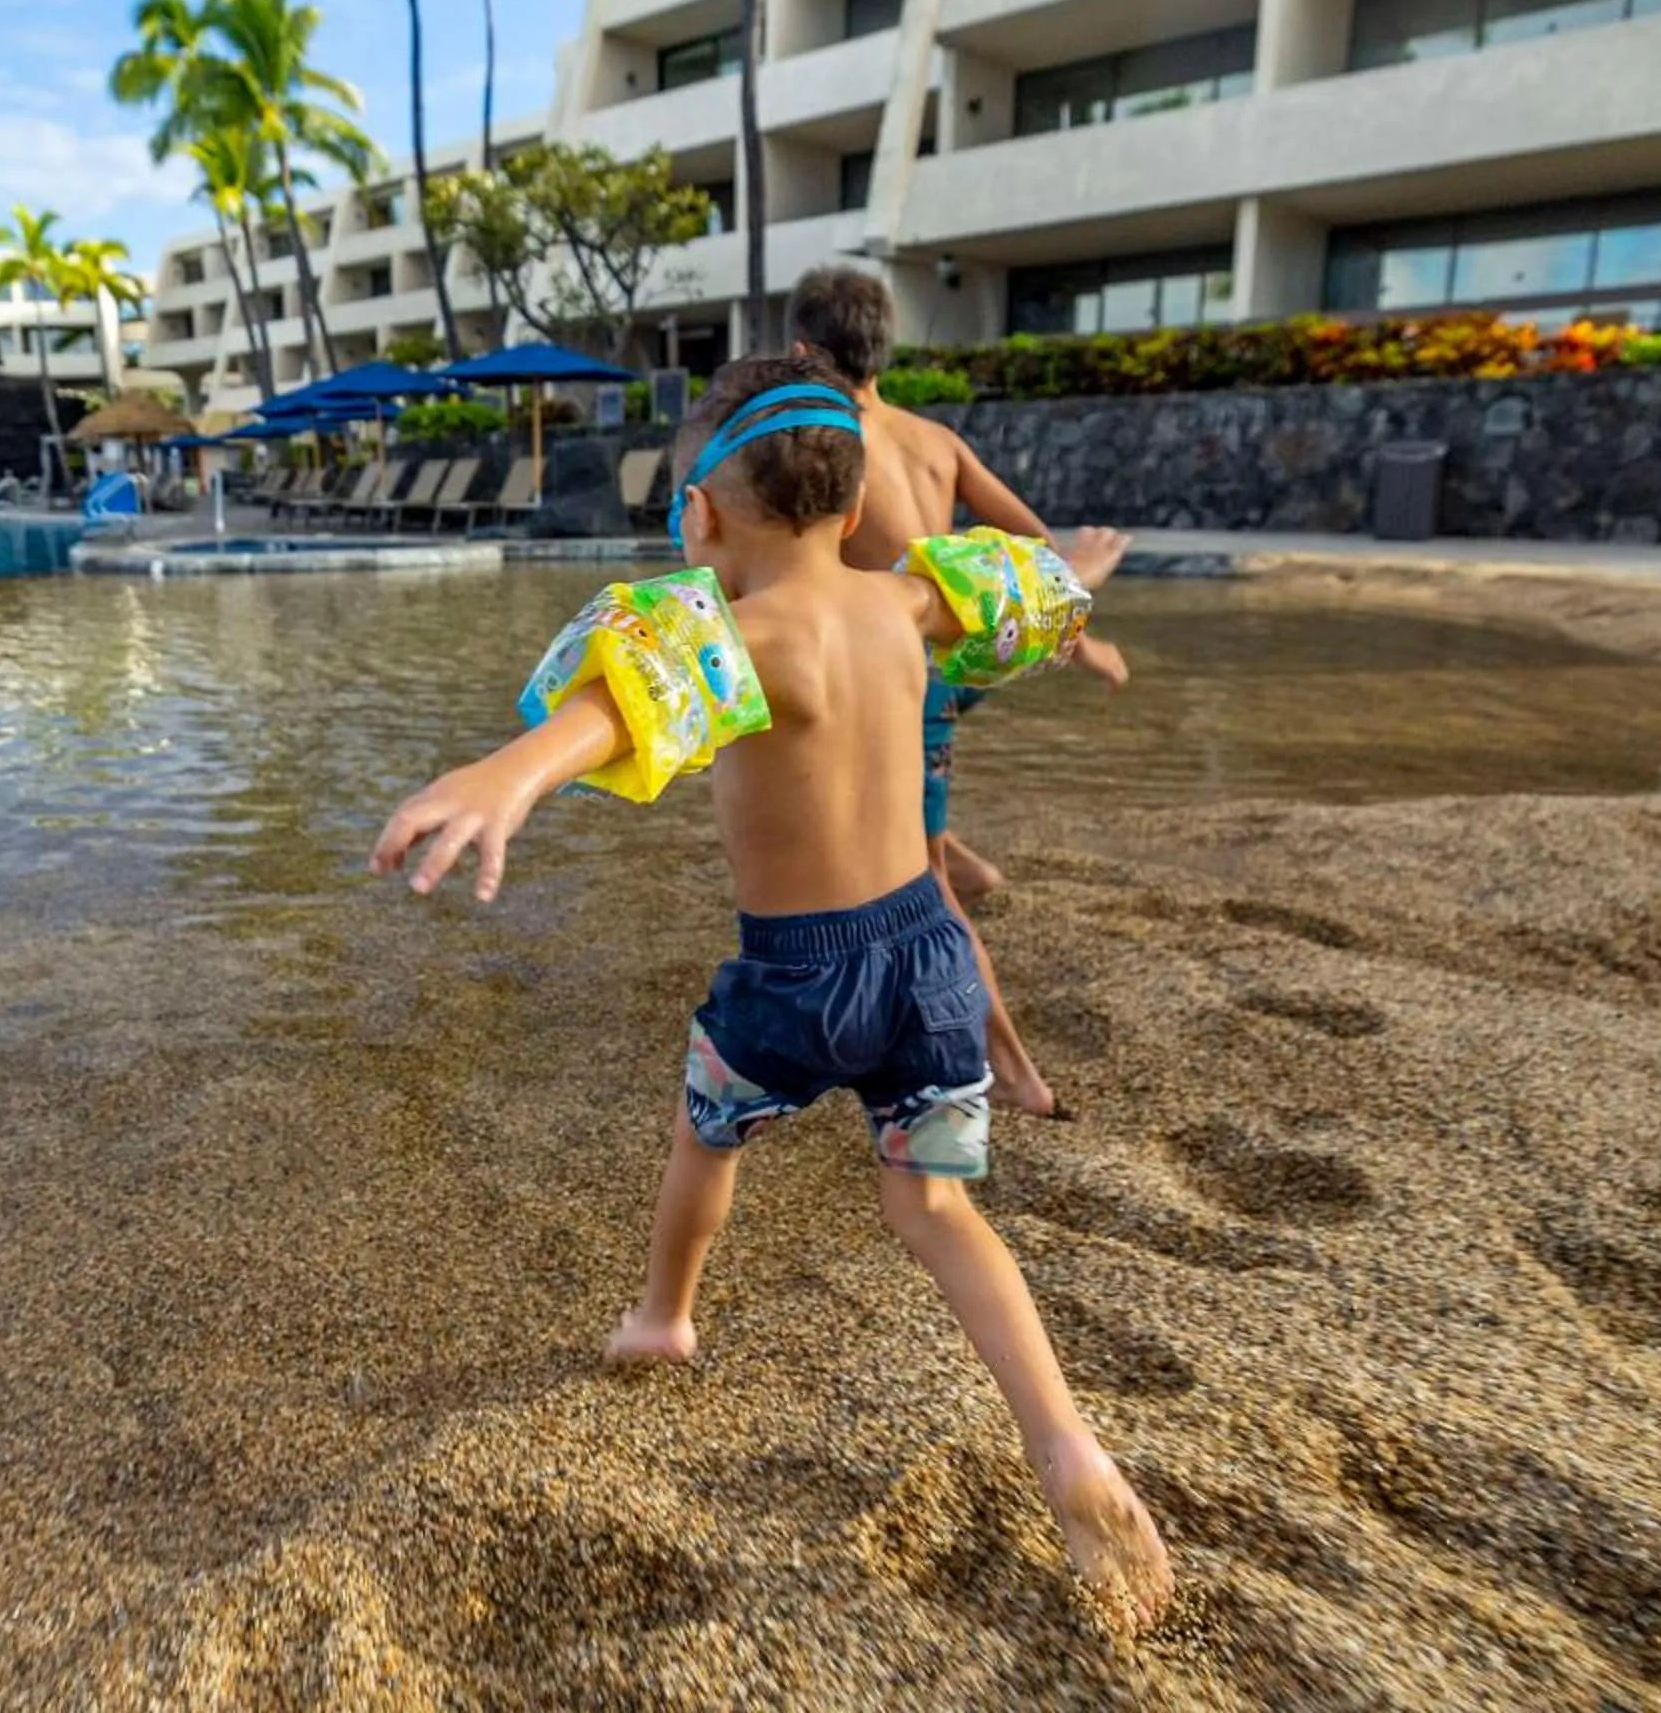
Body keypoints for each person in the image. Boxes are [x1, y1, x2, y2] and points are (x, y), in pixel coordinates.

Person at [370, 356, 1168, 1631]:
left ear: (699, 521)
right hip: (930, 966)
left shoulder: (738, 635)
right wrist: (1079, 590)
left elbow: (617, 707)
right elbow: (1026, 598)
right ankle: (1069, 1443)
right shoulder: (912, 603)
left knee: (708, 1130)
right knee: (939, 1207)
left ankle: (663, 1317)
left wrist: (505, 776)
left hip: (792, 986)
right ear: (854, 510)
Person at [790, 264, 1123, 1120]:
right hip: (960, 662)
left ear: (801, 350)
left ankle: (1013, 1070)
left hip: (905, 684)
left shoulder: (825, 451)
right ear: (882, 348)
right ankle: (969, 863)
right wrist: (1073, 628)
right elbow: (1035, 541)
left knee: (916, 878)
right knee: (891, 813)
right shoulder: (935, 439)